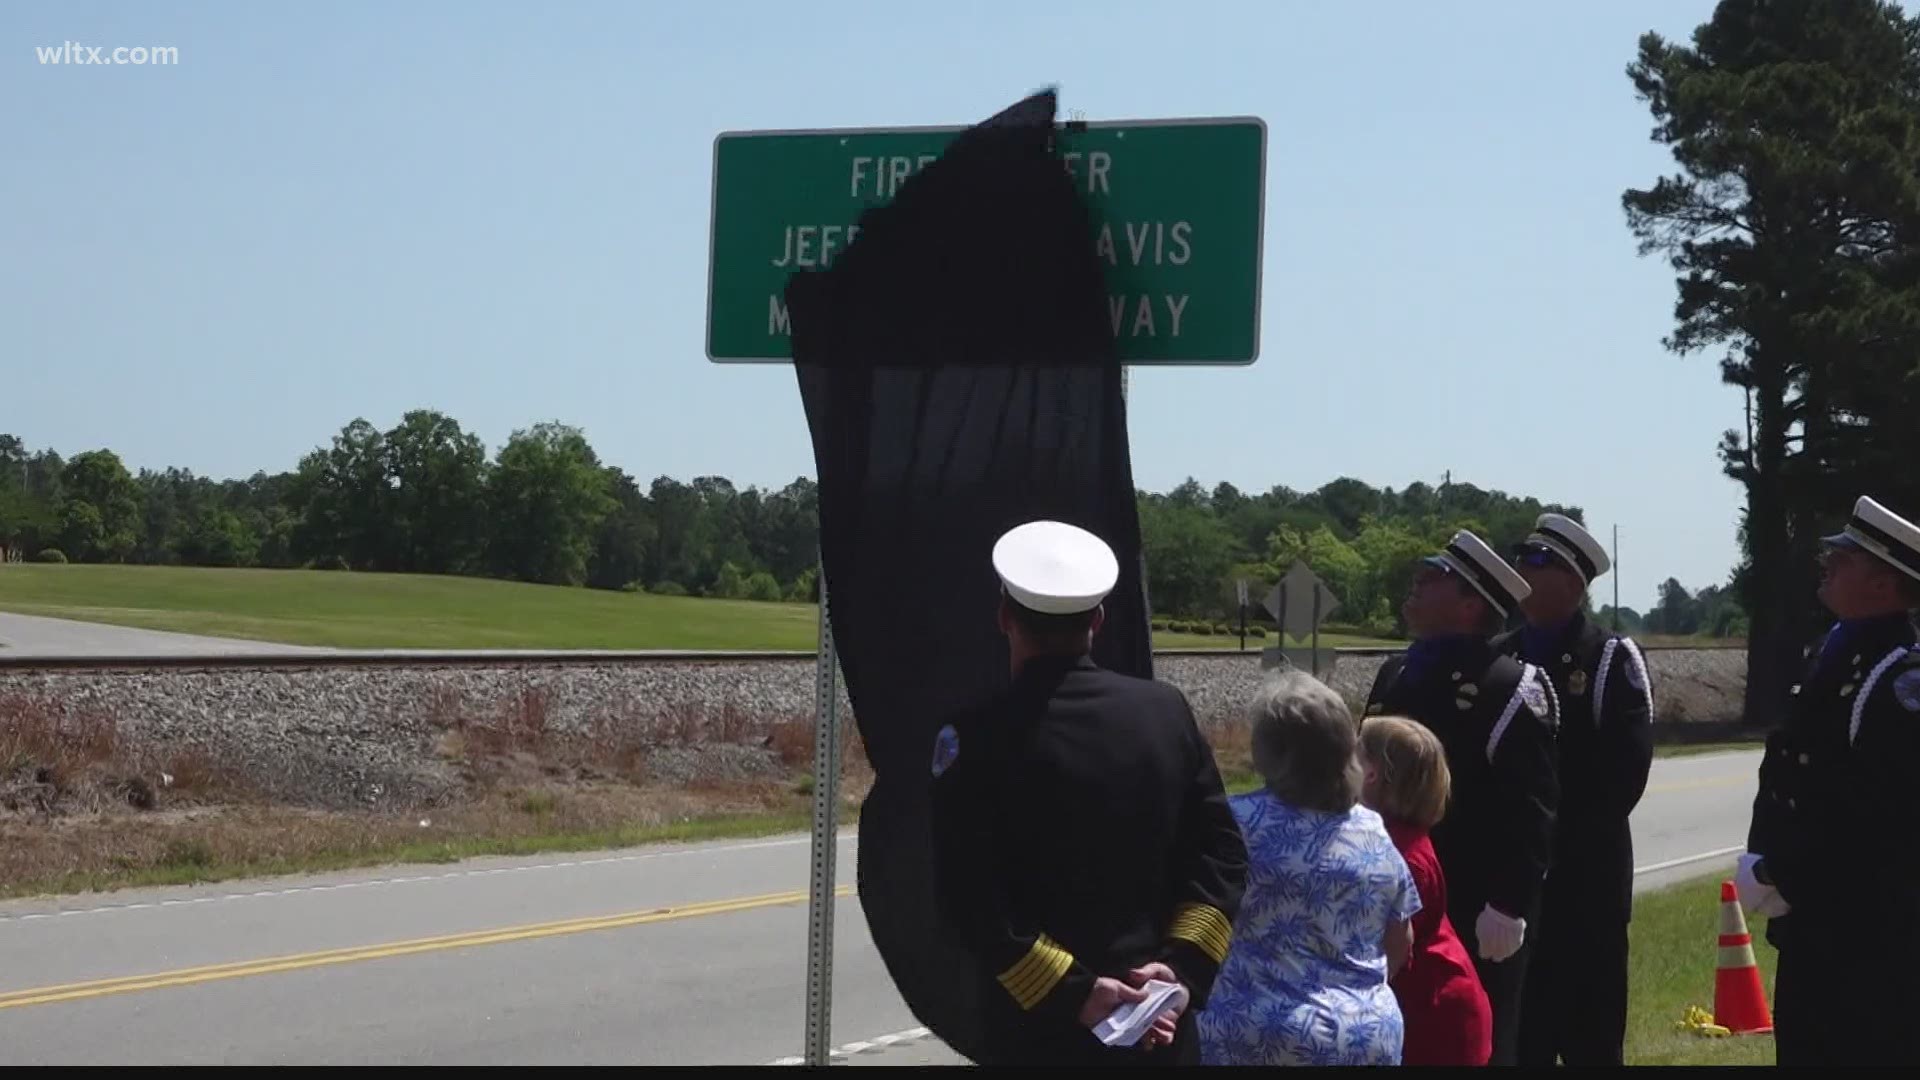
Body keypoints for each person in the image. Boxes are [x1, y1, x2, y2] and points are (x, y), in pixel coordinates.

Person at [927, 519, 1249, 1066]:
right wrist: (1179, 968)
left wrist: (1075, 992)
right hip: (1158, 1026)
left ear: (1005, 617)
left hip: (1038, 1036)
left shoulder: (974, 737)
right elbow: (1222, 857)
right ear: (1097, 620)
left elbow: (969, 898)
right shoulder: (1165, 713)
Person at [1363, 529, 1559, 1066]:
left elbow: (1531, 805)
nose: (1416, 585)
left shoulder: (1509, 685)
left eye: (1433, 578)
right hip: (1388, 896)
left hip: (1471, 904)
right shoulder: (1397, 671)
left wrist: (1510, 902)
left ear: (1471, 603)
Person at [1737, 495, 1920, 1067]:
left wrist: (1778, 870)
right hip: (1815, 925)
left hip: (1866, 933)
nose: (1828, 565)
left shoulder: (1898, 678)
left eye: (1844, 560)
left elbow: (1870, 811)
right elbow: (1791, 770)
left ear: (1883, 585)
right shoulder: (1834, 654)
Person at [1196, 669, 1419, 1067]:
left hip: (1254, 1034)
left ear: (1268, 751)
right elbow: (1400, 940)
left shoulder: (1234, 824)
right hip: (1367, 1036)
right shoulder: (1373, 830)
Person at [1494, 514, 1654, 1066]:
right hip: (1515, 895)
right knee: (1521, 1043)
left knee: (1591, 1044)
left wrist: (1545, 847)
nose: (1522, 570)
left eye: (1537, 562)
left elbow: (1620, 780)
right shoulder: (1502, 657)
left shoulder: (1608, 659)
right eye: (1522, 557)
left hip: (1585, 890)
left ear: (1574, 581)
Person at [1358, 714, 1494, 1067]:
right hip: (1428, 1007)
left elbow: (1391, 954)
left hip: (1436, 1019)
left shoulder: (1399, 856)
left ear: (1372, 772)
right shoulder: (1388, 837)